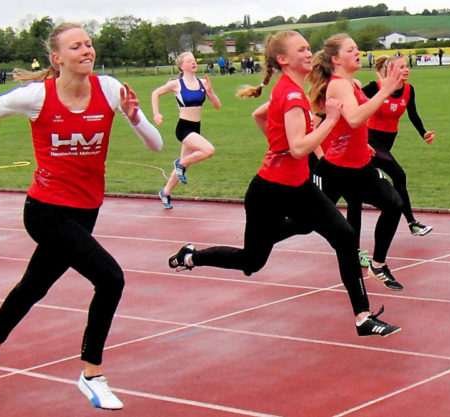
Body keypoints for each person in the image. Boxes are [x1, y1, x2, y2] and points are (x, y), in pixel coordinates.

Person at [0, 23, 163, 410]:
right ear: (57, 58)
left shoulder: (111, 89)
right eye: (76, 46)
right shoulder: (37, 96)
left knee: (34, 285)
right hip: (45, 210)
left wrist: (134, 117)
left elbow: (157, 144)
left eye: (89, 43)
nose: (87, 50)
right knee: (110, 278)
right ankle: (92, 374)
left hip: (86, 211)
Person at [168, 31, 401, 337]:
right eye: (301, 49)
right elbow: (299, 149)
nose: (308, 53)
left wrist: (277, 145)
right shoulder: (291, 96)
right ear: (283, 59)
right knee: (251, 261)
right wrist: (329, 122)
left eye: (309, 48)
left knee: (343, 237)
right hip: (270, 191)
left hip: (299, 186)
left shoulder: (292, 90)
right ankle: (191, 256)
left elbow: (260, 116)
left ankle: (363, 317)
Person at [306, 33, 405, 291]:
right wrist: (384, 91)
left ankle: (378, 265)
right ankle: (262, 238)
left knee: (394, 203)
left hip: (360, 167)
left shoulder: (354, 84)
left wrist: (364, 144)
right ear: (336, 59)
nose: (357, 52)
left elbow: (351, 125)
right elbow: (353, 118)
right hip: (335, 170)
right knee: (303, 224)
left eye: (357, 49)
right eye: (351, 50)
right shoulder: (338, 84)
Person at [362, 55, 435, 237]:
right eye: (401, 67)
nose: (406, 69)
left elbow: (413, 114)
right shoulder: (375, 88)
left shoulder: (409, 90)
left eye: (406, 66)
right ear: (391, 71)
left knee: (359, 184)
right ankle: (412, 223)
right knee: (398, 175)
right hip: (372, 141)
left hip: (387, 142)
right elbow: (353, 104)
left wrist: (423, 133)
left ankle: (321, 207)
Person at [151, 52, 221, 209]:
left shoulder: (203, 82)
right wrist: (157, 113)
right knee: (209, 150)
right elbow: (155, 93)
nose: (193, 63)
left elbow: (217, 105)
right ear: (182, 66)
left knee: (184, 167)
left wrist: (210, 91)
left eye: (194, 60)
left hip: (196, 128)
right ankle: (180, 163)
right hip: (184, 128)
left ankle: (165, 192)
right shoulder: (177, 84)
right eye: (189, 61)